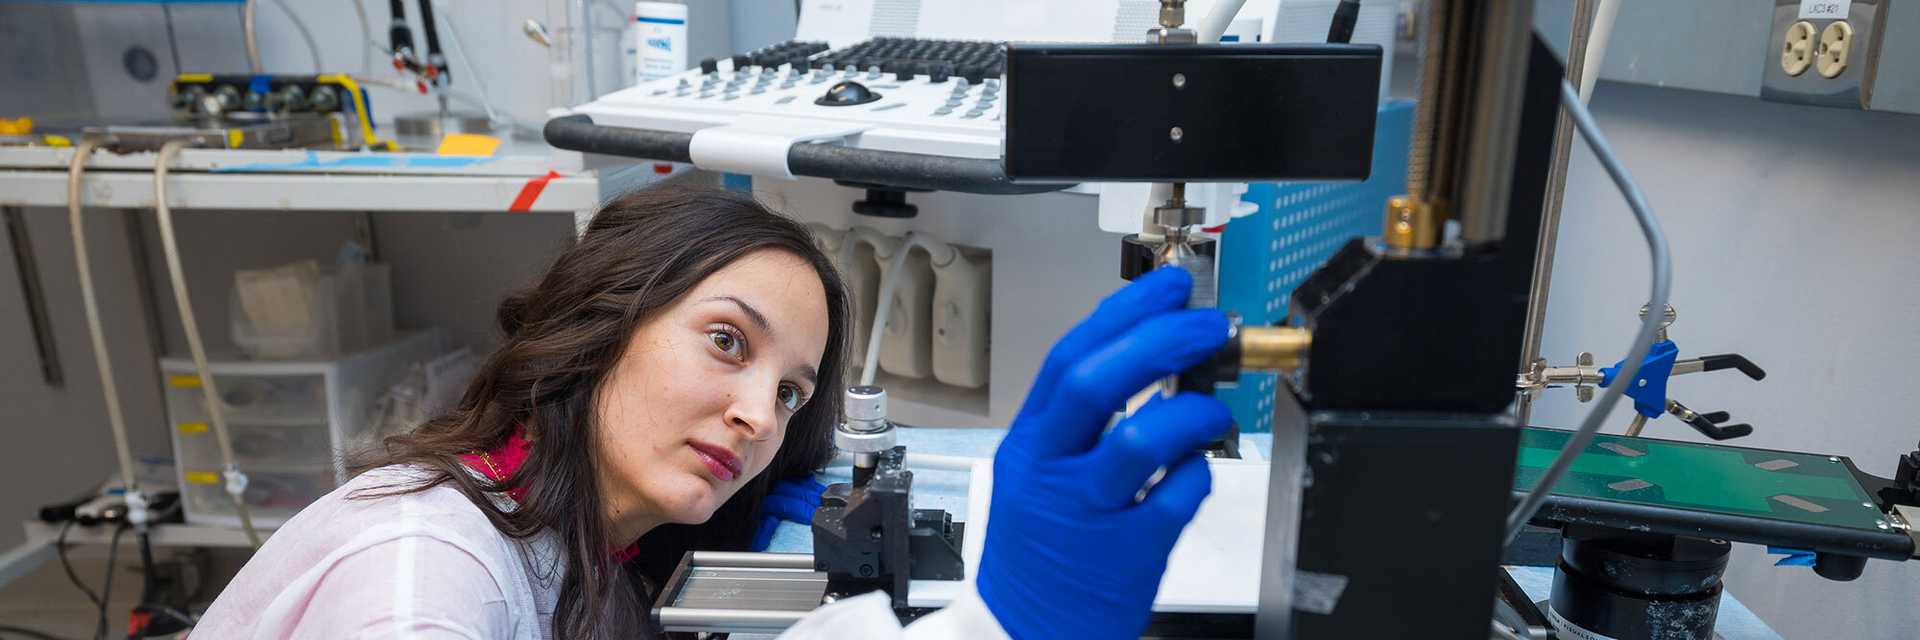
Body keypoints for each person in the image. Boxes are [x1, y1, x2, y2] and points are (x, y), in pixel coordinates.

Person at [193, 185, 1233, 639]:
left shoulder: (582, 550)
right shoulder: (427, 563)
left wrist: (997, 624)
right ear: (601, 320)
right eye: (728, 341)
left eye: (789, 393)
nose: (756, 415)